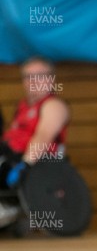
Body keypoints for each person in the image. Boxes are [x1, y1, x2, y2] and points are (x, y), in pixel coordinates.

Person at [0, 56, 69, 189]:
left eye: (40, 76)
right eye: (28, 76)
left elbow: (43, 137)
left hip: (38, 170)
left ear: (51, 79)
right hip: (10, 162)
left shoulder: (53, 105)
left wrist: (23, 167)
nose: (34, 81)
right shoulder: (23, 107)